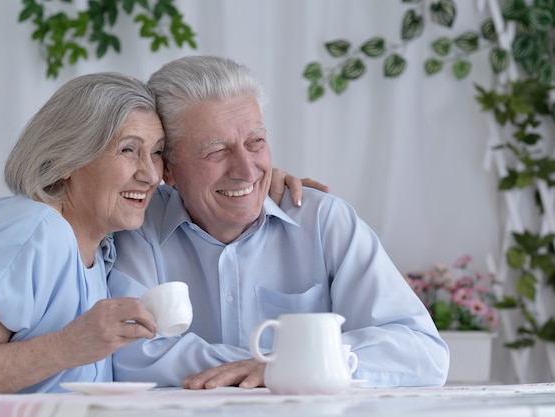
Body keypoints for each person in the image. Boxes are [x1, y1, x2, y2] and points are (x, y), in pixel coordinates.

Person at [109, 55, 450, 389]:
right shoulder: (137, 226)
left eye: (255, 142)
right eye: (217, 152)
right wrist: (285, 363)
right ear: (168, 167)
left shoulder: (323, 220)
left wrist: (290, 362)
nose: (247, 170)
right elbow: (130, 355)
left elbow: (422, 351)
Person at [0, 72, 162, 416]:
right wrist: (68, 346)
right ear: (68, 158)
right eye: (129, 149)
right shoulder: (35, 231)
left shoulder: (97, 248)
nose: (151, 174)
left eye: (157, 153)